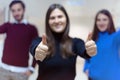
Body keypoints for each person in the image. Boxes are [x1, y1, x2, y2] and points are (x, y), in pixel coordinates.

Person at [30, 4, 97, 80]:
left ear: (66, 19)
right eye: (52, 18)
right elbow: (34, 47)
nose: (56, 21)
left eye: (60, 16)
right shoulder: (40, 41)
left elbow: (84, 50)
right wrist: (37, 51)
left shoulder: (75, 43)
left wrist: (89, 51)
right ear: (47, 22)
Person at [0, 0, 38, 80]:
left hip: (21, 73)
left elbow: (37, 50)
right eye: (13, 11)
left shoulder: (31, 29)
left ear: (23, 10)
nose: (16, 13)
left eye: (19, 10)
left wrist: (32, 68)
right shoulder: (8, 26)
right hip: (3, 70)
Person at [84, 9, 120, 80]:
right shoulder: (93, 38)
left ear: (110, 21)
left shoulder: (115, 37)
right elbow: (88, 56)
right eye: (98, 20)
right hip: (93, 77)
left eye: (104, 19)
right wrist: (86, 67)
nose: (101, 22)